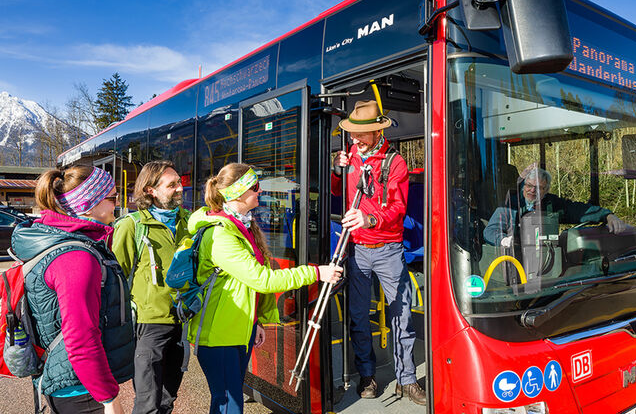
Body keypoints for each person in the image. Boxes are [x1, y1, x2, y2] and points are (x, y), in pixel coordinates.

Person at [188, 163, 342, 414]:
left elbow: (241, 285)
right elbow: (262, 280)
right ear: (237, 193)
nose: (261, 192)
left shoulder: (241, 225)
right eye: (255, 187)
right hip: (219, 337)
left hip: (236, 328)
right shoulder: (220, 235)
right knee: (229, 405)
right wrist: (315, 272)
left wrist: (254, 322)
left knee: (229, 400)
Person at [11, 166, 133, 414]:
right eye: (112, 197)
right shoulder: (76, 256)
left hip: (71, 381)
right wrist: (110, 400)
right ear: (89, 203)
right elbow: (81, 338)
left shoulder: (61, 240)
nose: (117, 203)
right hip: (80, 391)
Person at [332, 100, 426, 405]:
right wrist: (337, 170)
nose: (356, 139)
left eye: (362, 134)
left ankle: (407, 379)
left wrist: (370, 218)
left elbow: (398, 208)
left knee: (401, 315)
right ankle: (367, 375)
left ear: (376, 133)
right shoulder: (350, 158)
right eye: (353, 133)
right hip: (356, 250)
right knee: (358, 316)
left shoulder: (395, 162)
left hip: (388, 249)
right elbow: (337, 192)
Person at [112, 161, 190, 414]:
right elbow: (116, 277)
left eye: (179, 182)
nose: (180, 188)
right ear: (150, 190)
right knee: (147, 401)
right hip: (148, 323)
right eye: (172, 185)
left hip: (181, 319)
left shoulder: (189, 222)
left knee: (168, 398)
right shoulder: (131, 226)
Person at [483, 165, 628, 248]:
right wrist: (504, 240)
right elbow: (490, 231)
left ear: (546, 191)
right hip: (515, 262)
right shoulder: (509, 207)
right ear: (523, 187)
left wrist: (608, 215)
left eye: (539, 188)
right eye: (529, 186)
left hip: (548, 263)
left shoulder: (552, 204)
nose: (532, 191)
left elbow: (579, 210)